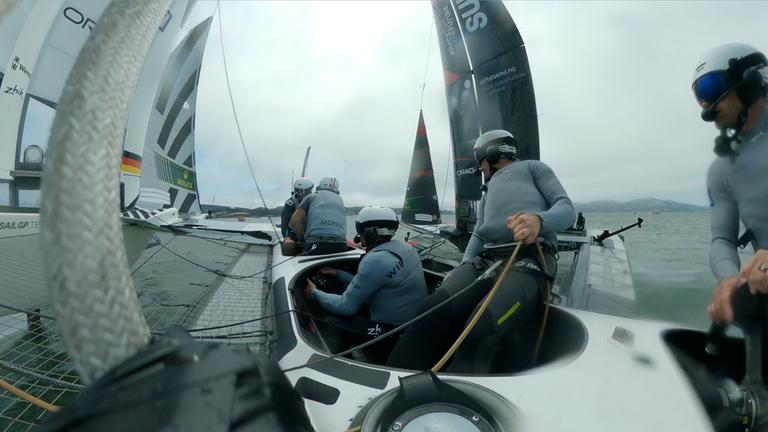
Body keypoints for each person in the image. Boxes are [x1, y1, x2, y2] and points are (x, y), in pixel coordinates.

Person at [387, 129, 575, 373]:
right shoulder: (487, 190)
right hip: (486, 259)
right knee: (427, 313)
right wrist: (462, 266)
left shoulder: (534, 168)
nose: (479, 168)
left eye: (479, 160)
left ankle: (453, 403)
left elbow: (566, 209)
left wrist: (538, 221)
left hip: (529, 261)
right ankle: (391, 382)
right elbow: (479, 232)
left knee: (481, 331)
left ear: (493, 152)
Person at [695, 44, 768, 324]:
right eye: (699, 96)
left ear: (750, 80)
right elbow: (722, 240)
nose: (705, 105)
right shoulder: (721, 170)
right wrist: (729, 280)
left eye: (710, 88)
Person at [304, 207, 428, 359]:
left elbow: (345, 307)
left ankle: (349, 364)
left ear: (369, 233)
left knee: (331, 322)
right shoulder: (406, 249)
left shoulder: (375, 260)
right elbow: (374, 283)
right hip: (413, 326)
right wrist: (339, 274)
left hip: (392, 334)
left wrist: (315, 293)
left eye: (360, 229)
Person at [289, 176, 347, 255]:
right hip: (341, 245)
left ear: (319, 187)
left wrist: (301, 239)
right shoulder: (341, 201)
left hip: (316, 244)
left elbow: (295, 221)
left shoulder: (311, 196)